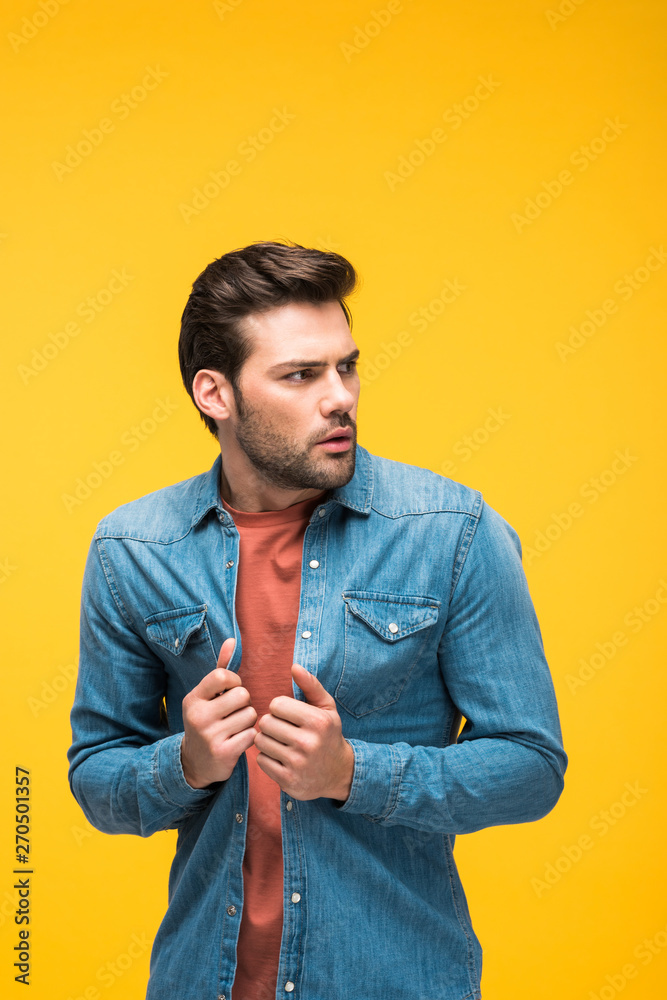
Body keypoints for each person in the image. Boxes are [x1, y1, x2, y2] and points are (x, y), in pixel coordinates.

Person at [67, 239, 568, 1000]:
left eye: (346, 366)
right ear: (216, 394)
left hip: (394, 978)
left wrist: (352, 774)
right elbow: (95, 771)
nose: (340, 396)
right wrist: (185, 764)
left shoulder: (452, 531)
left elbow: (531, 767)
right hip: (202, 978)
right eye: (300, 375)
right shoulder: (134, 550)